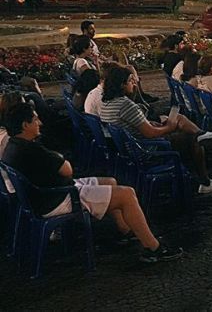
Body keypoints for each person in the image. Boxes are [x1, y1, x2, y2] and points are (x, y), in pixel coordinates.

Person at [2, 102, 183, 263]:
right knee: (127, 194)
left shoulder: (13, 146)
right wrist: (59, 158)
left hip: (46, 194)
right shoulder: (31, 149)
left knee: (110, 181)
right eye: (35, 120)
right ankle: (154, 248)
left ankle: (126, 231)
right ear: (25, 125)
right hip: (58, 198)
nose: (39, 123)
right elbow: (67, 170)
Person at [99, 63, 212, 194]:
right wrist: (170, 127)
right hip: (145, 149)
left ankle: (200, 140)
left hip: (130, 146)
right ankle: (205, 181)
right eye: (130, 81)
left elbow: (137, 125)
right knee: (193, 141)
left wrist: (153, 123)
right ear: (121, 85)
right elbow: (151, 134)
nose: (134, 84)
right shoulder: (125, 105)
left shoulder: (107, 103)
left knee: (180, 125)